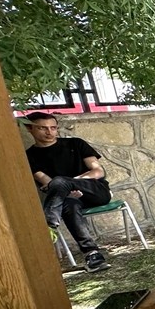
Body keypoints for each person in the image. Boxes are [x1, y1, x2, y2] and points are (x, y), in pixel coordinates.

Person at [22, 111, 111, 272]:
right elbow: (47, 182)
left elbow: (98, 172)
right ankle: (93, 254)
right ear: (30, 129)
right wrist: (66, 190)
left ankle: (49, 224)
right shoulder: (29, 156)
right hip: (68, 198)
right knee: (68, 204)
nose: (50, 132)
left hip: (95, 191)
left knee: (61, 181)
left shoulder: (76, 144)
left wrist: (71, 183)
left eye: (53, 128)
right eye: (43, 128)